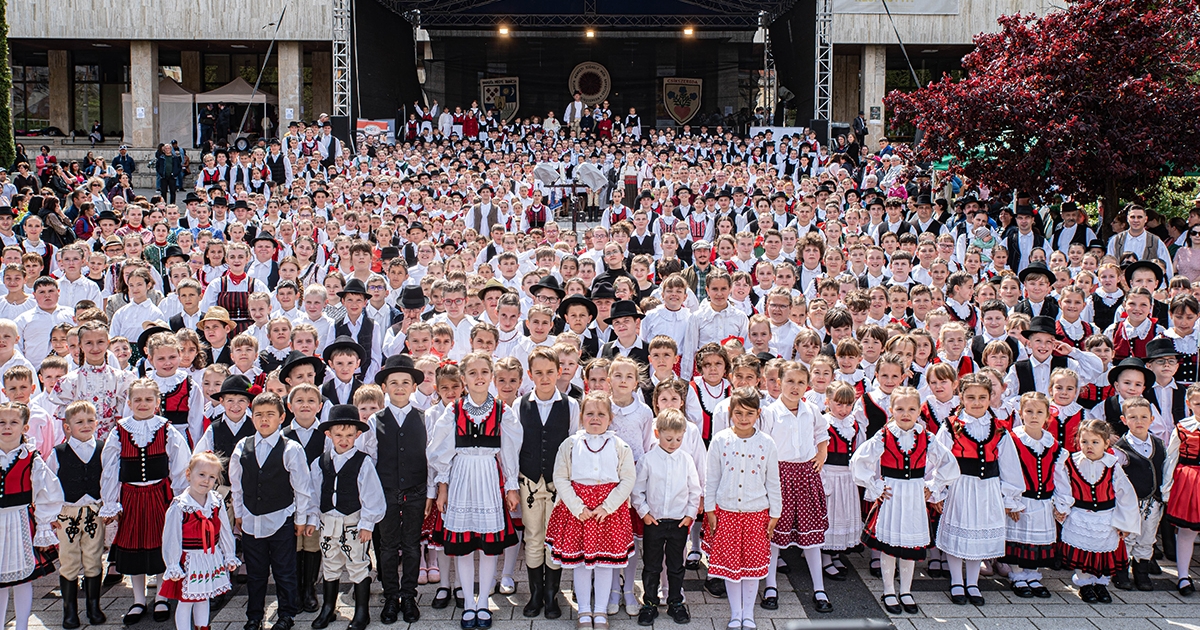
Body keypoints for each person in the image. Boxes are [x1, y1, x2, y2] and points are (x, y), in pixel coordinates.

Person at [428, 352, 520, 629]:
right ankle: (469, 601)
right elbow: (440, 451)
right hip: (461, 476)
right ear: (464, 378)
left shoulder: (503, 411)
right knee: (464, 546)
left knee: (489, 547)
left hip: (489, 476)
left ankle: (483, 603)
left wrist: (511, 486)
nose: (479, 377)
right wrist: (442, 487)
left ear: (491, 376)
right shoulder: (453, 410)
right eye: (472, 372)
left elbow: (510, 451)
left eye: (484, 372)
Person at [852, 386, 959, 615]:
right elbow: (859, 461)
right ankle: (889, 590)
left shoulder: (927, 437)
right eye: (900, 409)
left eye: (911, 409)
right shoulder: (884, 435)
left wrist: (933, 486)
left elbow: (949, 464)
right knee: (889, 548)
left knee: (909, 546)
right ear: (891, 410)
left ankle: (906, 590)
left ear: (919, 411)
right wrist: (875, 486)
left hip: (914, 496)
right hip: (892, 494)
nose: (906, 414)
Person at [98, 378, 191, 624]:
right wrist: (110, 502)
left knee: (160, 545)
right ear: (129, 403)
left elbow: (180, 466)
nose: (143, 403)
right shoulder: (119, 431)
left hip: (159, 496)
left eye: (148, 399)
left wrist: (181, 499)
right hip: (130, 497)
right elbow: (110, 469)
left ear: (157, 402)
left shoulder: (167, 430)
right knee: (133, 547)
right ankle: (138, 600)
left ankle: (161, 596)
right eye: (137, 399)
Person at [228, 392, 315, 630]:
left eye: (270, 414)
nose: (264, 419)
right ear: (252, 417)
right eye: (259, 415)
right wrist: (239, 513)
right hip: (250, 519)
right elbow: (237, 485)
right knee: (256, 573)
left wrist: (300, 518)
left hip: (280, 519)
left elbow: (302, 488)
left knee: (284, 571)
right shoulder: (242, 446)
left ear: (282, 417)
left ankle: (286, 615)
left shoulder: (290, 448)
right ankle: (254, 616)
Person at [704, 387, 782, 630]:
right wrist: (710, 509)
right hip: (726, 512)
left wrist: (775, 513)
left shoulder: (767, 443)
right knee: (731, 567)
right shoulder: (720, 440)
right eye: (739, 413)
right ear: (730, 412)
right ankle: (735, 613)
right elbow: (711, 477)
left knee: (751, 567)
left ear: (758, 413)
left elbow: (773, 481)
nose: (744, 418)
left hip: (756, 513)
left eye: (750, 413)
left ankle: (748, 613)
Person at [514, 346, 579, 620]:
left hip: (557, 483)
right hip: (529, 480)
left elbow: (574, 446)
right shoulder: (519, 405)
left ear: (559, 372)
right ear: (530, 375)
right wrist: (512, 484)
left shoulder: (570, 405)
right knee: (533, 536)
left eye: (550, 372)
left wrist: (570, 484)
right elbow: (513, 447)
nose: (544, 378)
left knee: (553, 538)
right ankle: (536, 593)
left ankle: (552, 595)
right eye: (538, 373)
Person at [762, 362, 833, 612]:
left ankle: (819, 588)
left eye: (801, 382)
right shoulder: (770, 412)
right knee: (774, 534)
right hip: (780, 476)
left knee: (810, 533)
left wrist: (821, 453)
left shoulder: (811, 410)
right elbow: (763, 445)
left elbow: (822, 433)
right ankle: (770, 586)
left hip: (806, 475)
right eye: (790, 381)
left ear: (807, 385)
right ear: (779, 382)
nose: (795, 387)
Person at [308, 405, 385, 630]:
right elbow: (313, 493)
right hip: (328, 521)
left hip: (353, 523)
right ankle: (328, 607)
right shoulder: (320, 462)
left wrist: (367, 524)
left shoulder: (363, 462)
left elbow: (372, 495)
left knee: (358, 565)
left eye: (349, 435)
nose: (344, 440)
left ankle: (361, 611)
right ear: (328, 434)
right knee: (330, 564)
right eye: (339, 435)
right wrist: (312, 519)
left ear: (358, 435)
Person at [1053, 419, 1140, 603]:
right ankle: (1084, 584)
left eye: (1095, 442)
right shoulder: (1071, 463)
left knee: (1103, 553)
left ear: (1106, 443)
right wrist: (1062, 508)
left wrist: (1124, 523)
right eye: (1084, 441)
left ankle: (1101, 583)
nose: (1089, 446)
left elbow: (1125, 495)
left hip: (1106, 517)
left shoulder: (1112, 465)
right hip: (1079, 515)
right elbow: (1063, 487)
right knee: (1082, 553)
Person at [632, 408, 700, 626]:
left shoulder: (686, 460)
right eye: (669, 438)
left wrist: (689, 515)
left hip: (679, 522)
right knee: (652, 565)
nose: (673, 443)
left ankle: (675, 601)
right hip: (655, 521)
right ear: (657, 433)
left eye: (678, 439)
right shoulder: (648, 460)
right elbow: (637, 490)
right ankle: (650, 603)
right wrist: (644, 513)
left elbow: (694, 489)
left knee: (676, 565)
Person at [159, 451, 239, 630]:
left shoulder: (216, 501)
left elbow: (225, 530)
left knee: (204, 598)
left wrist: (229, 554)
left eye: (212, 477)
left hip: (210, 557)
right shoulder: (180, 506)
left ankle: (203, 627)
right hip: (189, 559)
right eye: (201, 474)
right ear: (189, 474)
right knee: (186, 601)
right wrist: (173, 564)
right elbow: (171, 538)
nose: (206, 481)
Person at [0, 401, 62, 630]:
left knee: (22, 579)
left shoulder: (31, 458)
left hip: (20, 522)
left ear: (25, 427)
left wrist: (44, 525)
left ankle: (22, 626)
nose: (7, 427)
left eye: (13, 422)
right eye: (1, 422)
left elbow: (48, 492)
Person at [47, 401, 108, 628]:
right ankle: (69, 610)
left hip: (94, 511)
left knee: (94, 557)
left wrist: (110, 505)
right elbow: (49, 484)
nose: (85, 425)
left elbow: (109, 479)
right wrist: (50, 514)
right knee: (69, 559)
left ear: (97, 423)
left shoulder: (103, 449)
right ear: (67, 427)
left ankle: (94, 606)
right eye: (79, 422)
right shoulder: (58, 453)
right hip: (67, 512)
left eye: (90, 420)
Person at [1002, 392, 1065, 599]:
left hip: (1043, 501)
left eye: (1039, 412)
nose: (1034, 416)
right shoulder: (1012, 440)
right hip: (1021, 500)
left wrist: (1061, 503)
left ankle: (1033, 575)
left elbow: (1060, 476)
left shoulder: (1052, 444)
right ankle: (1017, 575)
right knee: (1017, 539)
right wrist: (1011, 501)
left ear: (1047, 415)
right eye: (1029, 411)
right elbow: (1006, 471)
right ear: (1021, 413)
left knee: (1037, 541)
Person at [1161, 383, 1200, 596]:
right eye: (1198, 403)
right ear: (1189, 404)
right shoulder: (1183, 428)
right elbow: (1171, 458)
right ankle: (1183, 576)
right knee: (1186, 531)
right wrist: (1166, 488)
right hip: (1190, 482)